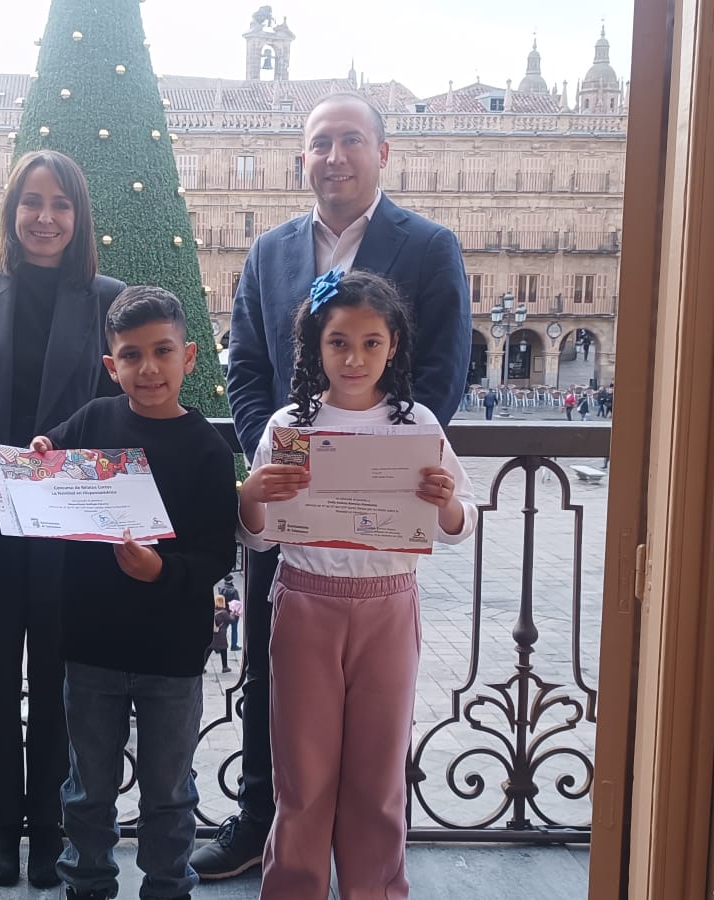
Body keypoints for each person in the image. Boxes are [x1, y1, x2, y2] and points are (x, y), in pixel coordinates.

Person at [206, 91, 469, 880]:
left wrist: (387, 451)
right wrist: (287, 445)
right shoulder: (269, 249)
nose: (335, 156)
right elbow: (248, 364)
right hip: (295, 505)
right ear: (303, 158)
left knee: (369, 772)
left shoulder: (428, 245)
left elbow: (444, 368)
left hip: (382, 543)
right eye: (320, 143)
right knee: (289, 717)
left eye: (351, 139)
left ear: (382, 152)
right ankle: (262, 822)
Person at [0, 149, 125, 887]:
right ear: (11, 209)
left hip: (67, 521)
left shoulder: (108, 298)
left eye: (60, 204)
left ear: (79, 217)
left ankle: (51, 831)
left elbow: (132, 396)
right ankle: (0, 829)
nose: (44, 217)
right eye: (31, 201)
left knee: (62, 685)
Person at [236, 271, 477, 899]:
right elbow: (260, 538)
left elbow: (458, 526)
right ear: (316, 345)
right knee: (304, 778)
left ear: (393, 345)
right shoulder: (290, 425)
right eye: (339, 342)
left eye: (371, 343)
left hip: (388, 611)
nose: (354, 357)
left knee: (376, 781)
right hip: (305, 604)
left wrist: (445, 502)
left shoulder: (416, 423)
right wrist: (252, 497)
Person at [28, 287, 237, 900]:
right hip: (91, 647)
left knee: (169, 790)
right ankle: (87, 883)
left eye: (162, 352)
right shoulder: (93, 421)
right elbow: (48, 459)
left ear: (190, 356)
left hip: (172, 656)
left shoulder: (206, 449)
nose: (148, 368)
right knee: (87, 786)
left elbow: (215, 557)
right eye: (131, 355)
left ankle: (168, 887)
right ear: (110, 365)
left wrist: (159, 572)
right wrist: (42, 452)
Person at [206, 596, 234, 673]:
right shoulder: (224, 613)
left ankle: (202, 667)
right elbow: (231, 620)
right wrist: (232, 614)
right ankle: (225, 667)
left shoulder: (212, 610)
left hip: (212, 634)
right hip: (221, 635)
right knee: (223, 650)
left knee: (208, 651)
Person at [217, 576, 242, 651]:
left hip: (224, 613)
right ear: (231, 581)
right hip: (233, 613)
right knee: (234, 629)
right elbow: (237, 603)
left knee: (223, 629)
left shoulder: (220, 589)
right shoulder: (234, 591)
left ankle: (219, 646)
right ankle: (233, 646)